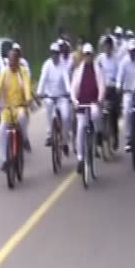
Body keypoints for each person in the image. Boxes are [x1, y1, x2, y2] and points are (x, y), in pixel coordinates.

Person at [0, 50, 33, 170]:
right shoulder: (4, 72)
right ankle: (4, 159)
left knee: (22, 117)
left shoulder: (23, 71)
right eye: (10, 62)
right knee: (2, 128)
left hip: (20, 106)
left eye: (14, 62)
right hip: (7, 108)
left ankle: (24, 139)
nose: (12, 64)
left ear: (18, 61)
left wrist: (28, 98)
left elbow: (26, 85)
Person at [71, 43, 105, 173]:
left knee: (96, 115)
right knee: (80, 128)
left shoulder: (98, 69)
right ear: (83, 56)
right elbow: (73, 88)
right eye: (85, 55)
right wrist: (74, 100)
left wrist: (100, 99)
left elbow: (102, 85)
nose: (87, 57)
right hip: (82, 103)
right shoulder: (78, 71)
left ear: (92, 55)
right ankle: (80, 158)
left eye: (89, 54)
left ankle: (98, 135)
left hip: (94, 102)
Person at [37, 43, 71, 155]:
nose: (54, 55)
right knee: (48, 108)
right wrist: (39, 92)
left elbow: (66, 79)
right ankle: (49, 135)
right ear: (50, 54)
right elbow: (42, 79)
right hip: (50, 96)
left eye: (56, 53)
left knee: (66, 116)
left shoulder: (63, 65)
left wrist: (69, 92)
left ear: (59, 54)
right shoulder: (46, 65)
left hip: (62, 97)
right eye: (52, 53)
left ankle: (65, 141)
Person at [117, 40, 135, 152]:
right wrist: (118, 86)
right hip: (127, 92)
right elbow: (119, 76)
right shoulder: (124, 62)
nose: (133, 53)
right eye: (131, 51)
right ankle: (128, 138)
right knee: (126, 112)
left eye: (134, 50)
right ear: (128, 51)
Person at [96, 35, 121, 150]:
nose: (107, 48)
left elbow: (120, 74)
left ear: (112, 47)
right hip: (102, 88)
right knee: (97, 113)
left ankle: (115, 136)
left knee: (114, 114)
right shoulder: (100, 59)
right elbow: (95, 71)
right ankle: (99, 138)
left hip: (113, 87)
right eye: (105, 46)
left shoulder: (116, 59)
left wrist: (118, 85)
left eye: (109, 46)